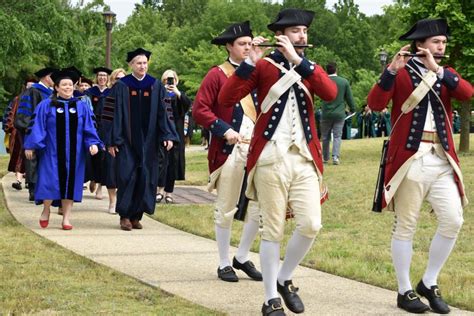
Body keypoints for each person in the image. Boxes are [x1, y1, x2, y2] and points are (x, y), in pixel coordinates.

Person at [218, 9, 337, 315]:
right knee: (272, 229)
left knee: (311, 224)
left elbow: (330, 92)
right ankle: (270, 297)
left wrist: (300, 63)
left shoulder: (309, 68)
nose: (303, 36)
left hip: (305, 157)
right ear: (282, 35)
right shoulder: (262, 65)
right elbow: (226, 99)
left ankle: (284, 278)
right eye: (297, 31)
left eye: (305, 31)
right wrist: (248, 64)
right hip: (271, 156)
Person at [367, 18, 473, 314]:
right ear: (420, 44)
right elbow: (375, 103)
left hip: (442, 159)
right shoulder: (401, 72)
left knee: (453, 220)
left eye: (443, 42)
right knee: (406, 227)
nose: (442, 46)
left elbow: (466, 93)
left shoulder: (446, 73)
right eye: (437, 41)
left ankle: (429, 281)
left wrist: (439, 70)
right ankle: (404, 290)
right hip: (410, 159)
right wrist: (390, 72)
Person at [193, 21, 263, 284]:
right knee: (226, 208)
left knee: (259, 207)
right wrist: (224, 130)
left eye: (250, 43)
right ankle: (224, 262)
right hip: (230, 149)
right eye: (242, 44)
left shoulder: (259, 71)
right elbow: (200, 110)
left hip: (257, 148)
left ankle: (242, 256)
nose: (247, 48)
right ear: (229, 47)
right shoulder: (217, 74)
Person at [107, 48, 178, 231]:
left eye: (145, 63)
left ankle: (137, 215)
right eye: (138, 63)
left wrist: (168, 135)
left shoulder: (155, 85)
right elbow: (111, 115)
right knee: (127, 176)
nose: (142, 66)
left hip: (149, 142)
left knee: (146, 177)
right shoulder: (121, 86)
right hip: (126, 142)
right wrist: (112, 141)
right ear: (131, 65)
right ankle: (124, 215)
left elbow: (165, 113)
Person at [23, 68, 103, 230]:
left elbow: (89, 127)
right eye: (64, 85)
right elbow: (37, 126)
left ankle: (66, 218)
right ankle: (46, 210)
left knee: (70, 184)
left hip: (75, 154)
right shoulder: (46, 105)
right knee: (49, 182)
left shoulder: (81, 106)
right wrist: (31, 144)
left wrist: (92, 143)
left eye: (70, 85)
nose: (68, 87)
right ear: (56, 87)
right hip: (51, 152)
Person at [15, 67, 56, 201]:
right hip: (35, 132)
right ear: (46, 77)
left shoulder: (52, 93)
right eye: (53, 77)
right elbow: (25, 115)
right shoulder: (33, 91)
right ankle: (33, 190)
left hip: (49, 133)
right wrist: (31, 132)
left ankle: (43, 189)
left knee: (45, 161)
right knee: (33, 160)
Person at [156, 70, 192, 204]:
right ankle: (159, 191)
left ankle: (169, 193)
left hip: (176, 133)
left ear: (176, 81)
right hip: (162, 132)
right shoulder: (160, 94)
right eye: (166, 80)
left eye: (171, 79)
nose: (169, 82)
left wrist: (177, 92)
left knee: (173, 163)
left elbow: (188, 105)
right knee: (161, 163)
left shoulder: (179, 95)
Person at [2, 77, 36, 190]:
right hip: (18, 132)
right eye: (29, 84)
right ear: (25, 86)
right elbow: (9, 114)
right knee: (18, 155)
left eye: (33, 85)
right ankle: (18, 180)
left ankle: (28, 180)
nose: (30, 87)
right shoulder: (17, 99)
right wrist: (9, 128)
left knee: (30, 156)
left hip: (32, 132)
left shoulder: (38, 98)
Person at [320, 62, 355, 165]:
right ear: (336, 69)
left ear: (326, 70)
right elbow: (349, 98)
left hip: (326, 113)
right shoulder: (344, 82)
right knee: (337, 136)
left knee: (325, 136)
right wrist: (352, 108)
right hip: (339, 113)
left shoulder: (324, 81)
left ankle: (325, 158)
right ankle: (335, 157)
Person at [85, 67, 112, 200]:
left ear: (107, 78)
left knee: (103, 156)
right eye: (100, 75)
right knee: (92, 155)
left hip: (106, 128)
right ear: (97, 77)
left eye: (104, 76)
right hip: (93, 126)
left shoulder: (111, 92)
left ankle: (100, 186)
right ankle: (93, 179)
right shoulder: (90, 92)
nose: (102, 78)